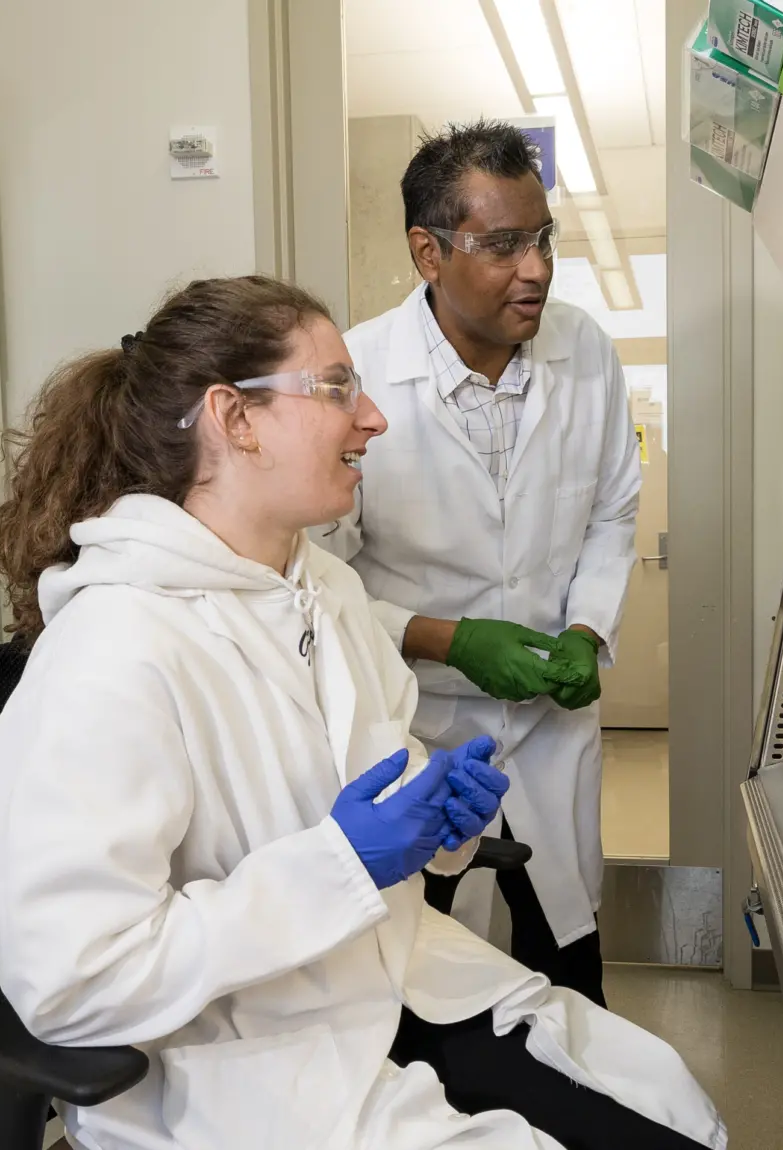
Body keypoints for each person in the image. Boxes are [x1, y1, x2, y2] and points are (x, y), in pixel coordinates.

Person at [0, 277, 722, 1150]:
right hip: (238, 1053)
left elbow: (376, 779)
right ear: (233, 418)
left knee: (664, 1109)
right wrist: (338, 865)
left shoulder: (327, 593)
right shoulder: (114, 646)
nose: (373, 419)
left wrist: (437, 822)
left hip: (391, 984)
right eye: (335, 389)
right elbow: (73, 979)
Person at [317, 121, 639, 1006]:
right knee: (418, 967)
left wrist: (585, 627)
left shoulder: (586, 354)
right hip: (412, 727)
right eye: (501, 245)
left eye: (541, 239)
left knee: (564, 954)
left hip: (548, 725)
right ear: (428, 252)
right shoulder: (357, 372)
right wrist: (442, 639)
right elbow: (316, 580)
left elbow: (613, 511)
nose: (534, 267)